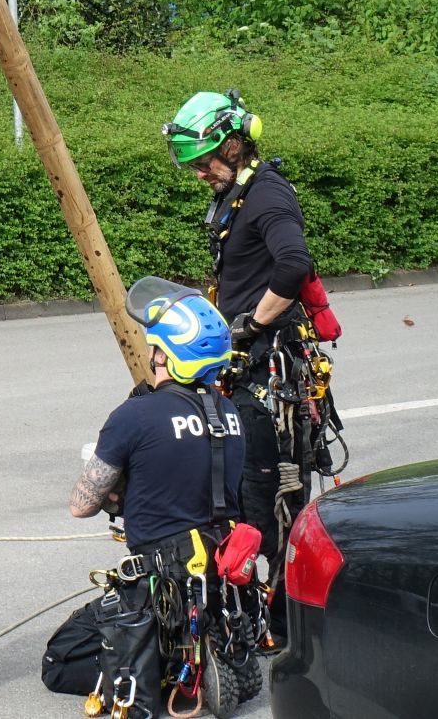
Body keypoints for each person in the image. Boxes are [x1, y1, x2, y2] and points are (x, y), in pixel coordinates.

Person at [161, 90, 323, 632]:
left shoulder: (268, 194)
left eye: (204, 162)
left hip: (269, 368)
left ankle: (276, 617)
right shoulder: (239, 194)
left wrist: (252, 325)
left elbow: (294, 263)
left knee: (267, 493)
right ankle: (260, 609)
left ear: (232, 146)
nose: (200, 174)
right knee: (243, 490)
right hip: (243, 364)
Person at [68, 280, 244, 552]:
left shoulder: (134, 416)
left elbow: (81, 507)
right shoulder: (230, 413)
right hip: (226, 578)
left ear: (161, 355)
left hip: (165, 581)